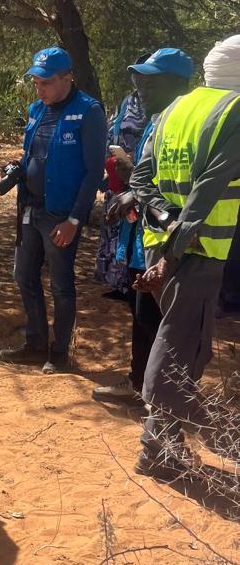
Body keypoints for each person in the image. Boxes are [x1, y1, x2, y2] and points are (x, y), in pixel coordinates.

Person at [131, 35, 240, 479]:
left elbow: (141, 175)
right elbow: (207, 191)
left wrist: (162, 219)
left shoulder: (175, 110)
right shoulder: (233, 112)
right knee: (179, 344)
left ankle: (166, 441)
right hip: (196, 250)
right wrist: (176, 248)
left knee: (187, 344)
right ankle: (154, 449)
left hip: (160, 242)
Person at [92, 49, 194, 405]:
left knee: (162, 318)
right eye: (140, 81)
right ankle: (141, 385)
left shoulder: (187, 124)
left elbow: (178, 182)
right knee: (142, 311)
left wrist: (131, 176)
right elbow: (147, 176)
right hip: (147, 235)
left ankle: (162, 398)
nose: (143, 89)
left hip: (178, 239)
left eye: (153, 81)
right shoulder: (158, 119)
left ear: (179, 84)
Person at [0, 47, 108, 373]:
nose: (39, 88)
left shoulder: (89, 112)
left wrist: (75, 219)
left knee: (60, 283)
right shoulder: (36, 109)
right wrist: (16, 167)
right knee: (23, 275)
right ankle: (34, 344)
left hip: (61, 216)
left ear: (67, 78)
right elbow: (33, 153)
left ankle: (59, 352)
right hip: (30, 210)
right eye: (36, 82)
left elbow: (93, 172)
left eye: (46, 82)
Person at [94, 56, 148, 297]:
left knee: (136, 232)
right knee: (114, 228)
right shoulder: (127, 102)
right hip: (118, 174)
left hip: (142, 178)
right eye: (135, 74)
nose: (139, 79)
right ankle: (118, 281)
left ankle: (135, 284)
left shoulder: (161, 105)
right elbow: (111, 129)